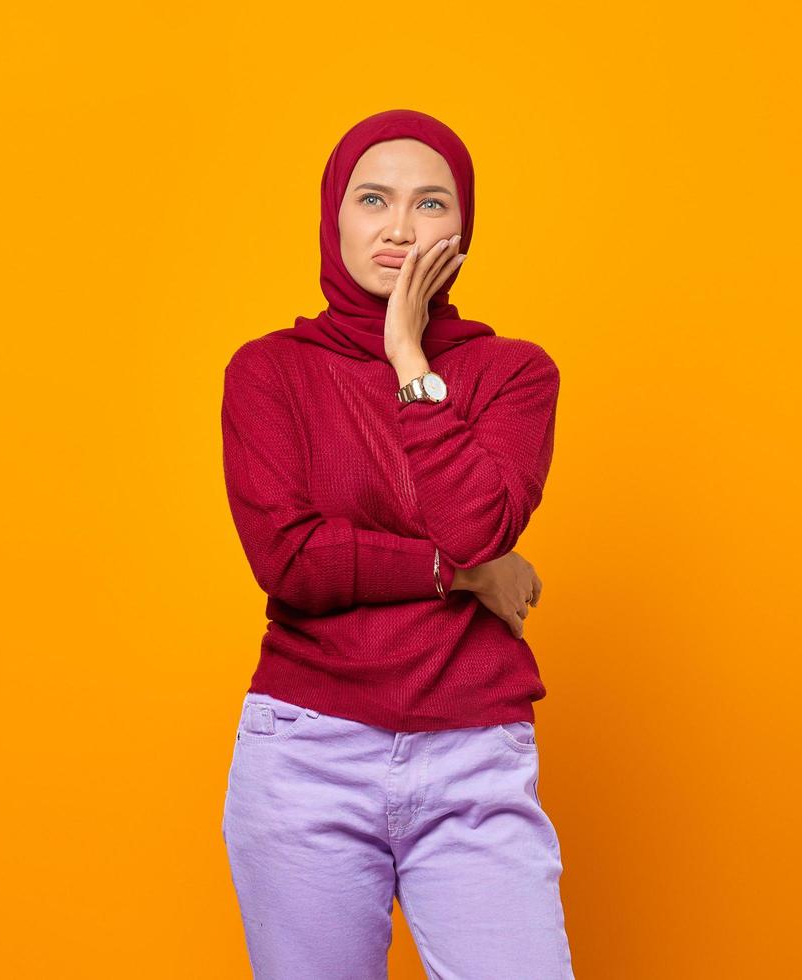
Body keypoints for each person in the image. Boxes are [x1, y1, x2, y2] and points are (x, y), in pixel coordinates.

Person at [219, 108, 574, 979]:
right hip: (308, 751)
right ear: (334, 214)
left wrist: (409, 353)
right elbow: (293, 562)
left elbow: (477, 524)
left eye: (431, 204)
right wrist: (461, 575)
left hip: (473, 756)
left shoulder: (513, 373)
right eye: (374, 199)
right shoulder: (269, 372)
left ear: (465, 228)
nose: (400, 228)